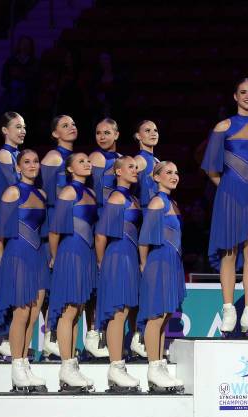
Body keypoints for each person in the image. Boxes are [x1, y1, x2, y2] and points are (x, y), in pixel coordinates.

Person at [202, 78, 248, 335]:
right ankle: (229, 311)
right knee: (229, 253)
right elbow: (212, 168)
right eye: (243, 92)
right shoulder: (223, 126)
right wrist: (228, 187)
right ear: (235, 96)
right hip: (228, 194)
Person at [0, 149, 48, 392]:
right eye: (27, 162)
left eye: (35, 161)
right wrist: (5, 262)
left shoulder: (42, 194)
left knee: (34, 315)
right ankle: (16, 367)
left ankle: (24, 362)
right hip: (17, 256)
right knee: (22, 314)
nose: (32, 165)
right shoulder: (13, 191)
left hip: (36, 256)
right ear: (18, 167)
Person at [47, 153, 97, 392]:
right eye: (81, 161)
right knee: (69, 311)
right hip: (70, 253)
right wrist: (57, 257)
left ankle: (71, 364)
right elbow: (55, 231)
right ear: (69, 168)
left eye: (88, 161)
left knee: (76, 311)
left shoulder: (91, 193)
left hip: (85, 254)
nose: (87, 163)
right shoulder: (68, 192)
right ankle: (66, 366)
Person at [95, 156, 142, 392]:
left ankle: (118, 366)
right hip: (117, 257)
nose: (135, 170)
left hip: (129, 256)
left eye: (136, 167)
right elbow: (101, 234)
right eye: (130, 167)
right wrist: (102, 262)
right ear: (117, 172)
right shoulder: (116, 197)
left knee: (125, 311)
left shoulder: (132, 198)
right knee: (118, 313)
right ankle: (115, 367)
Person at [138, 161, 185, 392]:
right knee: (156, 316)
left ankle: (159, 364)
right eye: (168, 172)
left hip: (172, 261)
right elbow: (145, 237)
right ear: (156, 177)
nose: (174, 175)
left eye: (176, 172)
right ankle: (153, 367)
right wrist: (145, 263)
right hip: (158, 261)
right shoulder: (157, 201)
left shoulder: (172, 203)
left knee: (165, 315)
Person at [0, 112, 26, 359]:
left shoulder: (17, 156)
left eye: (24, 127)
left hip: (18, 222)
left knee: (13, 281)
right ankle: (2, 338)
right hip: (8, 221)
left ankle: (8, 339)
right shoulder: (3, 155)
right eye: (17, 127)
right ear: (4, 130)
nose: (22, 131)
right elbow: (15, 186)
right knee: (5, 279)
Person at [39, 114, 77, 358]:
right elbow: (44, 192)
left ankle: (53, 336)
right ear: (55, 134)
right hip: (55, 221)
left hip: (70, 223)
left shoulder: (73, 158)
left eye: (73, 124)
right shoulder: (53, 157)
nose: (71, 128)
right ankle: (49, 335)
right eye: (65, 125)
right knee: (50, 281)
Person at [85, 118, 123, 359]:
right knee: (97, 279)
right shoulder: (97, 158)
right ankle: (92, 333)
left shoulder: (121, 159)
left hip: (115, 222)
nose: (101, 136)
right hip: (100, 219)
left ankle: (104, 333)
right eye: (98, 132)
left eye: (107, 132)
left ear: (117, 134)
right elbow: (95, 193)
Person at [129, 119, 162, 358]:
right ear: (137, 137)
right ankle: (138, 335)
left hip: (156, 224)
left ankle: (141, 335)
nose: (152, 133)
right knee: (143, 281)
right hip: (143, 223)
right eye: (147, 131)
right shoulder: (139, 160)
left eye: (155, 130)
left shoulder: (158, 162)